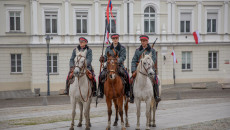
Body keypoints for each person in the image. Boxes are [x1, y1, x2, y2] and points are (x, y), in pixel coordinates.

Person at [129, 35, 161, 103]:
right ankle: (131, 96)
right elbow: (134, 61)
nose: (143, 42)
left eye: (144, 41)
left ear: (147, 41)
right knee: (131, 80)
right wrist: (133, 70)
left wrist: (148, 64)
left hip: (149, 70)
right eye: (141, 41)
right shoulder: (138, 51)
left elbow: (154, 61)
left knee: (155, 79)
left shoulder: (152, 50)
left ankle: (156, 96)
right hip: (139, 70)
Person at [98, 34, 130, 98]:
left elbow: (123, 57)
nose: (115, 40)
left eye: (116, 38)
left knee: (126, 75)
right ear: (112, 40)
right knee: (101, 76)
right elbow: (106, 57)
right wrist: (102, 59)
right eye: (114, 39)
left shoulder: (122, 48)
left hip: (119, 65)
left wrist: (116, 61)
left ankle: (127, 91)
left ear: (118, 39)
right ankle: (101, 92)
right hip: (109, 66)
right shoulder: (108, 48)